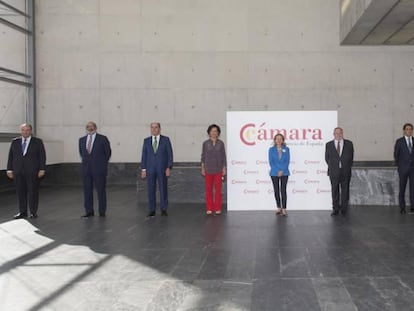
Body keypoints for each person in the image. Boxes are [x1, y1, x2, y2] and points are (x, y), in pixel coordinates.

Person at [7, 123, 46, 219]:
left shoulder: (37, 142)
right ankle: (22, 212)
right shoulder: (15, 141)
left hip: (33, 171)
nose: (25, 132)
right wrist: (9, 169)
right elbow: (10, 156)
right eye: (23, 130)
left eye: (27, 130)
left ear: (31, 131)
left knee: (33, 192)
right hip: (18, 171)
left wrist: (42, 169)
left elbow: (42, 156)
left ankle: (33, 212)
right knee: (20, 192)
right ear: (20, 131)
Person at [79, 121, 112, 218]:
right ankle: (89, 211)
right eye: (88, 126)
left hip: (99, 170)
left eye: (92, 126)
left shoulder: (102, 139)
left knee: (101, 191)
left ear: (95, 128)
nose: (90, 128)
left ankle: (102, 212)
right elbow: (82, 153)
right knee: (87, 191)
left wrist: (101, 164)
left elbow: (108, 153)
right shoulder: (81, 140)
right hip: (86, 170)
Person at [141, 122, 173, 217]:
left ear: (159, 129)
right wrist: (143, 169)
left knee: (163, 188)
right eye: (152, 127)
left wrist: (168, 167)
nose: (154, 129)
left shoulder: (166, 140)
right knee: (151, 189)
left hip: (162, 168)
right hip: (150, 168)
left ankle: (163, 209)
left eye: (156, 127)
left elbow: (170, 155)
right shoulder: (146, 141)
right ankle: (152, 209)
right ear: (150, 129)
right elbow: (144, 155)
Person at [325, 127, 354, 216]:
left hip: (345, 171)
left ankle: (344, 209)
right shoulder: (329, 144)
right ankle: (335, 209)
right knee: (335, 191)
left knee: (345, 191)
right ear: (334, 134)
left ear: (342, 133)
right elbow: (327, 158)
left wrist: (346, 166)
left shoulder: (349, 144)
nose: (338, 135)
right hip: (334, 172)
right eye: (336, 133)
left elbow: (351, 157)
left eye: (340, 133)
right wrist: (334, 167)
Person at [201, 124, 227, 215]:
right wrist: (203, 168)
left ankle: (217, 208)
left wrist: (224, 168)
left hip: (218, 169)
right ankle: (209, 208)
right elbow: (203, 156)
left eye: (216, 131)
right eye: (212, 131)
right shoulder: (205, 143)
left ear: (218, 133)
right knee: (208, 189)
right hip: (208, 169)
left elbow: (223, 156)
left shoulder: (221, 143)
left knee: (218, 190)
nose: (214, 133)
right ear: (209, 132)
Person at [394, 123, 414, 214]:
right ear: (404, 131)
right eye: (407, 129)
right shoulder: (399, 141)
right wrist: (400, 166)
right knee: (402, 188)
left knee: (413, 189)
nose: (409, 131)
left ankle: (413, 207)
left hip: (413, 169)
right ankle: (402, 207)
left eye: (410, 129)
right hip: (403, 169)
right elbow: (396, 155)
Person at [269, 133, 290, 216]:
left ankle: (284, 208)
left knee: (283, 190)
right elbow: (271, 162)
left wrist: (282, 170)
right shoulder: (271, 149)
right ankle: (278, 207)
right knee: (276, 190)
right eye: (277, 139)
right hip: (274, 173)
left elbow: (287, 161)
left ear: (283, 140)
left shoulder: (287, 149)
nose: (278, 140)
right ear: (274, 140)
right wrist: (278, 170)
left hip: (285, 172)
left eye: (280, 139)